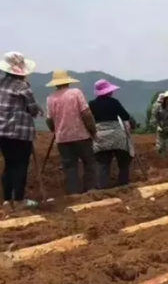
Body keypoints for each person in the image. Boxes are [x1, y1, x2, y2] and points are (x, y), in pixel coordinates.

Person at [0, 51, 43, 209]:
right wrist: (37, 109)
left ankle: (6, 201)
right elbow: (32, 109)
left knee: (9, 164)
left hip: (2, 132)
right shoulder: (22, 86)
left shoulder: (1, 84)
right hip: (20, 132)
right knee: (20, 165)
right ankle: (19, 201)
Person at [45, 70, 97, 195]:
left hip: (62, 139)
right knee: (89, 163)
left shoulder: (50, 99)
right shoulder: (76, 93)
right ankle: (89, 191)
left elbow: (49, 120)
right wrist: (93, 131)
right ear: (67, 81)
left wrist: (56, 130)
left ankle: (73, 195)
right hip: (81, 136)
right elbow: (86, 114)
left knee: (70, 167)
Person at [89, 79, 133, 189]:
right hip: (116, 135)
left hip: (100, 136)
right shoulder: (114, 102)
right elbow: (125, 117)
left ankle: (102, 188)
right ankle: (123, 184)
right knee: (123, 160)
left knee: (103, 163)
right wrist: (128, 131)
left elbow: (88, 120)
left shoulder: (91, 104)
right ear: (108, 92)